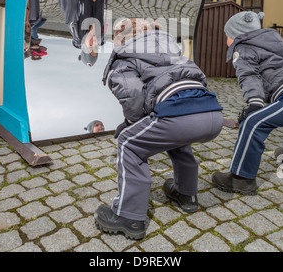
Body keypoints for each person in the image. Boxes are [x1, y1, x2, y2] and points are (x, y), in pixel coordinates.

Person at [94, 18, 223, 240]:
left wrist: (133, 123)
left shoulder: (125, 55)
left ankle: (128, 216)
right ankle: (186, 194)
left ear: (120, 38)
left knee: (128, 142)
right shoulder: (173, 50)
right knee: (176, 137)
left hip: (178, 113)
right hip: (212, 112)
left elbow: (131, 92)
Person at [212, 11, 283, 195]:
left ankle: (240, 178)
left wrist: (255, 103)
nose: (227, 40)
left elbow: (249, 75)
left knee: (253, 122)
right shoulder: (274, 43)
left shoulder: (243, 48)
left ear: (237, 35)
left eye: (227, 36)